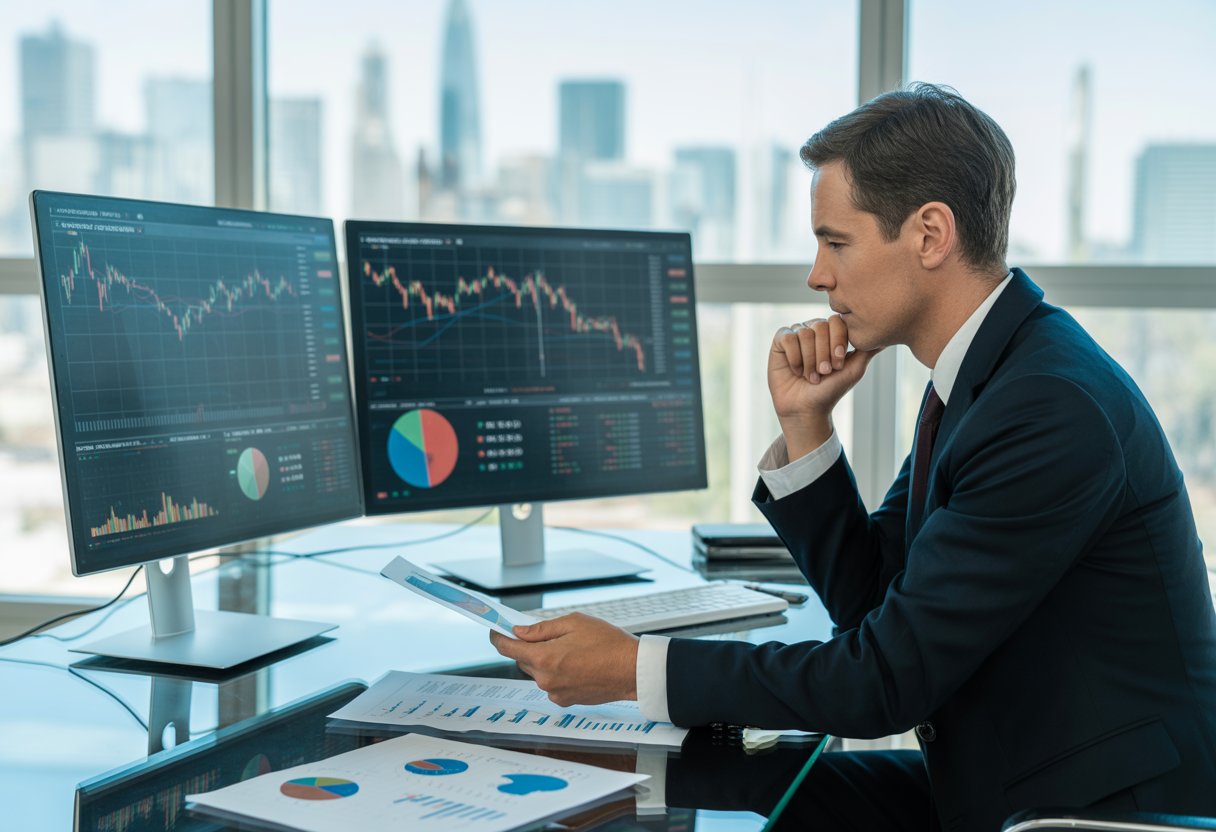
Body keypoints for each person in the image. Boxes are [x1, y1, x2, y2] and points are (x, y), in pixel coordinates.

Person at [491, 83, 1216, 830]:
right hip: (1010, 776)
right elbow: (874, 606)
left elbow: (882, 684)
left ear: (930, 234)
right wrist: (807, 425)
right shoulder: (984, 378)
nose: (817, 275)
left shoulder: (1046, 409)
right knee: (731, 791)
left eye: (836, 242)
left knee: (739, 799)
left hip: (1092, 814)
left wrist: (630, 667)